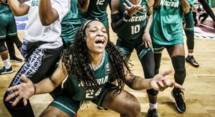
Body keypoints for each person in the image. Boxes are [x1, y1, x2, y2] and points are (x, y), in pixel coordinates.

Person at [5, 19, 184, 117]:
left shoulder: (113, 56)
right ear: (83, 37)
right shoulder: (71, 56)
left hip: (101, 92)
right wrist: (34, 88)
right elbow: (52, 82)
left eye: (103, 31)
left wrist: (150, 82)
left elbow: (131, 79)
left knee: (133, 106)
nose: (101, 33)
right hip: (73, 95)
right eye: (94, 30)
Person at [0, 0, 75, 116]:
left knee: (13, 98)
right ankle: (70, 110)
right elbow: (19, 10)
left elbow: (47, 19)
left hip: (46, 48)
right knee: (54, 88)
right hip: (32, 47)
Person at [111, 0, 159, 117]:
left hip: (141, 41)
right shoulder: (117, 0)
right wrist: (127, 16)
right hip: (124, 41)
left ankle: (153, 108)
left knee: (151, 74)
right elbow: (115, 27)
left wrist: (146, 32)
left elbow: (150, 15)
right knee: (115, 74)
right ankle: (116, 102)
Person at [150, 0, 193, 113]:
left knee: (180, 68)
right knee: (154, 68)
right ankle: (154, 90)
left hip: (175, 32)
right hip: (157, 30)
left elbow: (187, 9)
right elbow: (153, 5)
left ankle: (177, 92)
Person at [184, 0, 215, 67]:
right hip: (177, 13)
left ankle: (190, 56)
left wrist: (214, 18)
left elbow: (206, 5)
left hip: (188, 13)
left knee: (190, 34)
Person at [0, 0, 23, 75]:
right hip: (10, 15)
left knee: (0, 43)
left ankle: (8, 67)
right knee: (14, 39)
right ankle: (16, 57)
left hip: (0, 16)